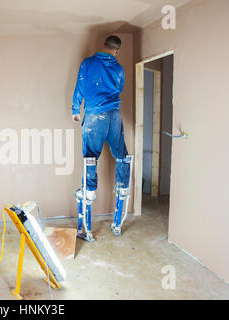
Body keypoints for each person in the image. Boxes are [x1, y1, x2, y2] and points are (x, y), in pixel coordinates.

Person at [72, 35, 132, 238]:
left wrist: (75, 109)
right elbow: (120, 89)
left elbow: (80, 86)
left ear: (104, 46)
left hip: (94, 115)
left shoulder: (88, 63)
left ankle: (87, 229)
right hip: (114, 115)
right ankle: (117, 224)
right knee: (122, 156)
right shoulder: (119, 69)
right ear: (117, 50)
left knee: (90, 158)